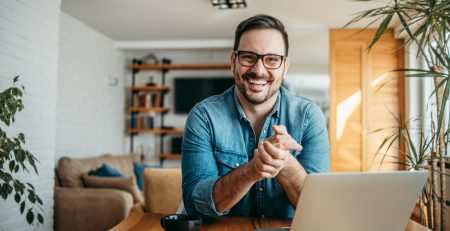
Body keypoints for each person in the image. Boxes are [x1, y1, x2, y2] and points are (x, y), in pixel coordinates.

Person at [181, 14, 330, 219]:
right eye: (249, 57)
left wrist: (286, 164)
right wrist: (252, 170)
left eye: (271, 59)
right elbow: (196, 206)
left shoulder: (309, 116)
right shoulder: (204, 116)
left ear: (285, 67)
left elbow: (320, 210)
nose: (259, 70)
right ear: (234, 60)